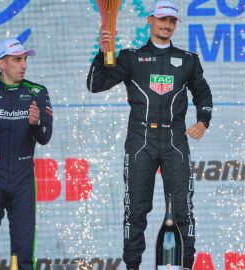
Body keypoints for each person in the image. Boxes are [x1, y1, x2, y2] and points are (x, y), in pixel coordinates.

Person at [87, 1, 213, 269]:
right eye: (162, 19)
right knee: (136, 212)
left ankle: (185, 266)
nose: (167, 25)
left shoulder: (188, 60)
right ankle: (132, 266)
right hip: (140, 141)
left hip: (174, 142)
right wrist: (101, 52)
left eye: (172, 21)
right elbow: (96, 85)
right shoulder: (131, 57)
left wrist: (203, 121)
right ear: (150, 20)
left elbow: (203, 94)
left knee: (182, 211)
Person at [0, 38, 53, 270]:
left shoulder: (38, 92)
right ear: (1, 64)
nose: (23, 65)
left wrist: (36, 124)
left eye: (24, 59)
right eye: (17, 60)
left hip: (23, 178)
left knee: (24, 258)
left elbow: (45, 137)